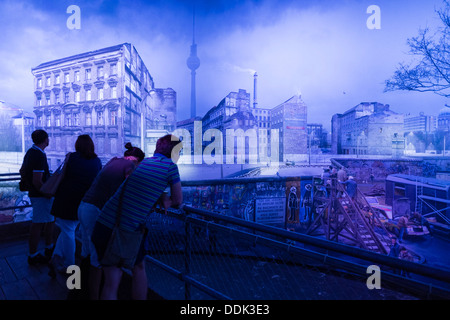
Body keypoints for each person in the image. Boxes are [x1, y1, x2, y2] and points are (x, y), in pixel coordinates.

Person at [92, 134, 183, 300]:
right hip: (123, 231)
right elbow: (177, 200)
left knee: (113, 281)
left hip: (104, 224)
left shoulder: (145, 162)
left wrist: (160, 195)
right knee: (134, 270)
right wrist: (166, 201)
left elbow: (141, 185)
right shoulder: (170, 168)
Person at [77, 142, 145, 300]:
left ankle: (77, 290)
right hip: (95, 210)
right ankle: (92, 296)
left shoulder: (113, 161)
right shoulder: (130, 166)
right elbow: (131, 188)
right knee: (97, 261)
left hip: (84, 206)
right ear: (137, 160)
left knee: (86, 253)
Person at [48, 135, 102, 276]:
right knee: (68, 230)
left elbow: (61, 175)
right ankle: (56, 257)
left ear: (77, 145)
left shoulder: (71, 158)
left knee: (67, 231)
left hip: (67, 200)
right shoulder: (96, 161)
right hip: (85, 202)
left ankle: (69, 266)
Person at [22, 130, 55, 265]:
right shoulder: (39, 156)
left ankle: (47, 248)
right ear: (45, 140)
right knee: (38, 224)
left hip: (35, 194)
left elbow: (23, 171)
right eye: (48, 138)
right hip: (40, 196)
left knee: (46, 221)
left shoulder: (31, 152)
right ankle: (34, 255)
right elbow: (37, 180)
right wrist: (47, 192)